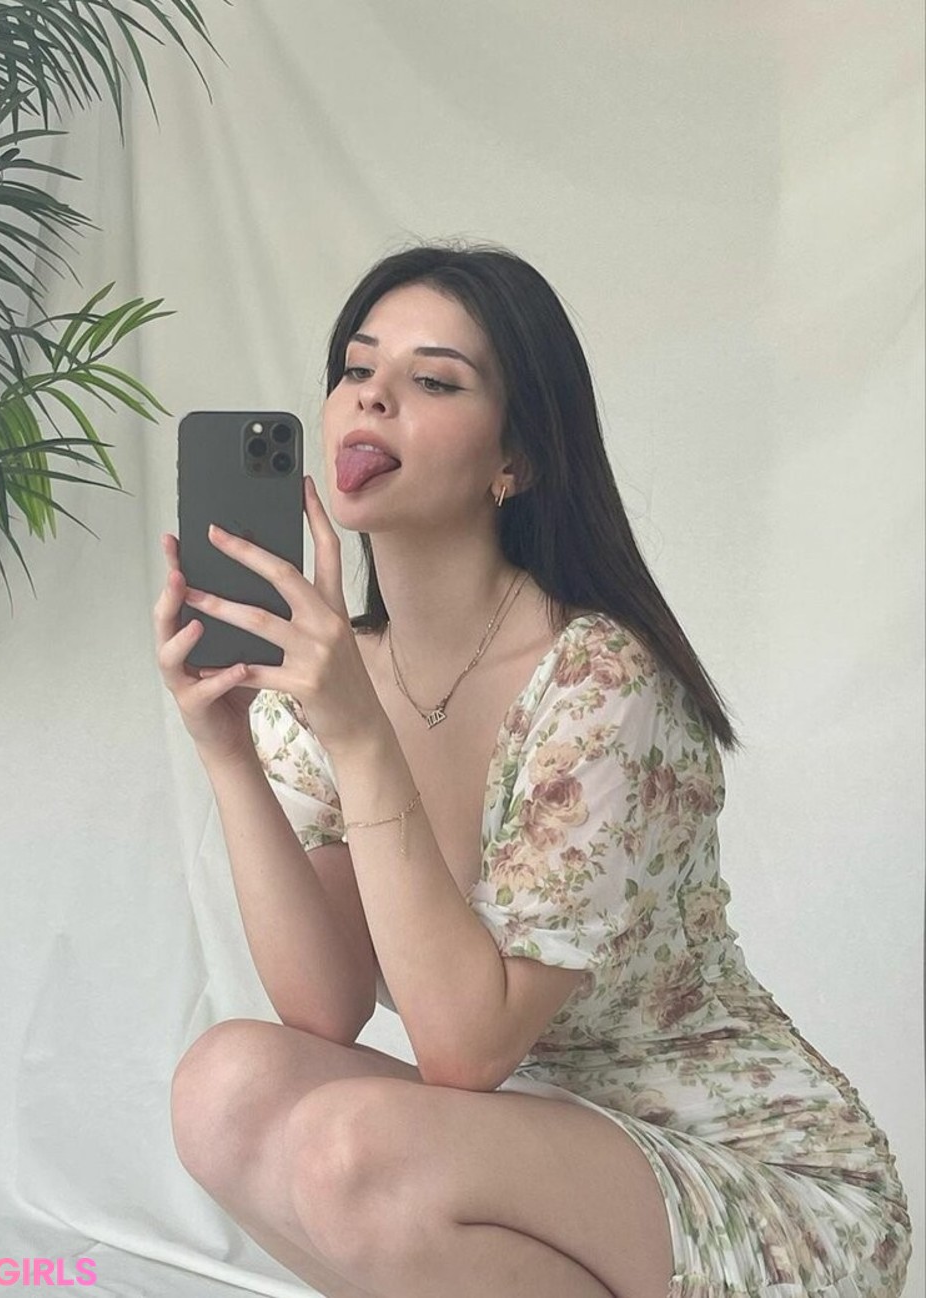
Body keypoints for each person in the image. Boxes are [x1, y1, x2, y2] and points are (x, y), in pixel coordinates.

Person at [158, 242, 912, 1298]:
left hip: (758, 1186)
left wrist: (363, 737)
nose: (372, 394)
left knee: (353, 1149)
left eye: (434, 381)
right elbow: (324, 1006)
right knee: (223, 1086)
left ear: (514, 458)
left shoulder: (599, 680)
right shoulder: (332, 672)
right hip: (535, 1139)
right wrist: (228, 747)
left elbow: (464, 1051)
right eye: (357, 367)